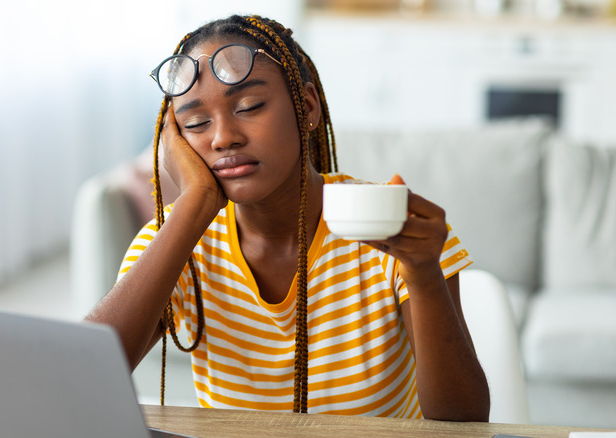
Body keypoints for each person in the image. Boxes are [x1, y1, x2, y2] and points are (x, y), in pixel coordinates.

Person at [86, 14, 490, 421]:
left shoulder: (392, 227)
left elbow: (464, 422)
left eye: (249, 106)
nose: (223, 137)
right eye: (196, 123)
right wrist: (194, 204)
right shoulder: (172, 238)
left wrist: (423, 272)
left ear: (307, 106)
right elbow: (83, 380)